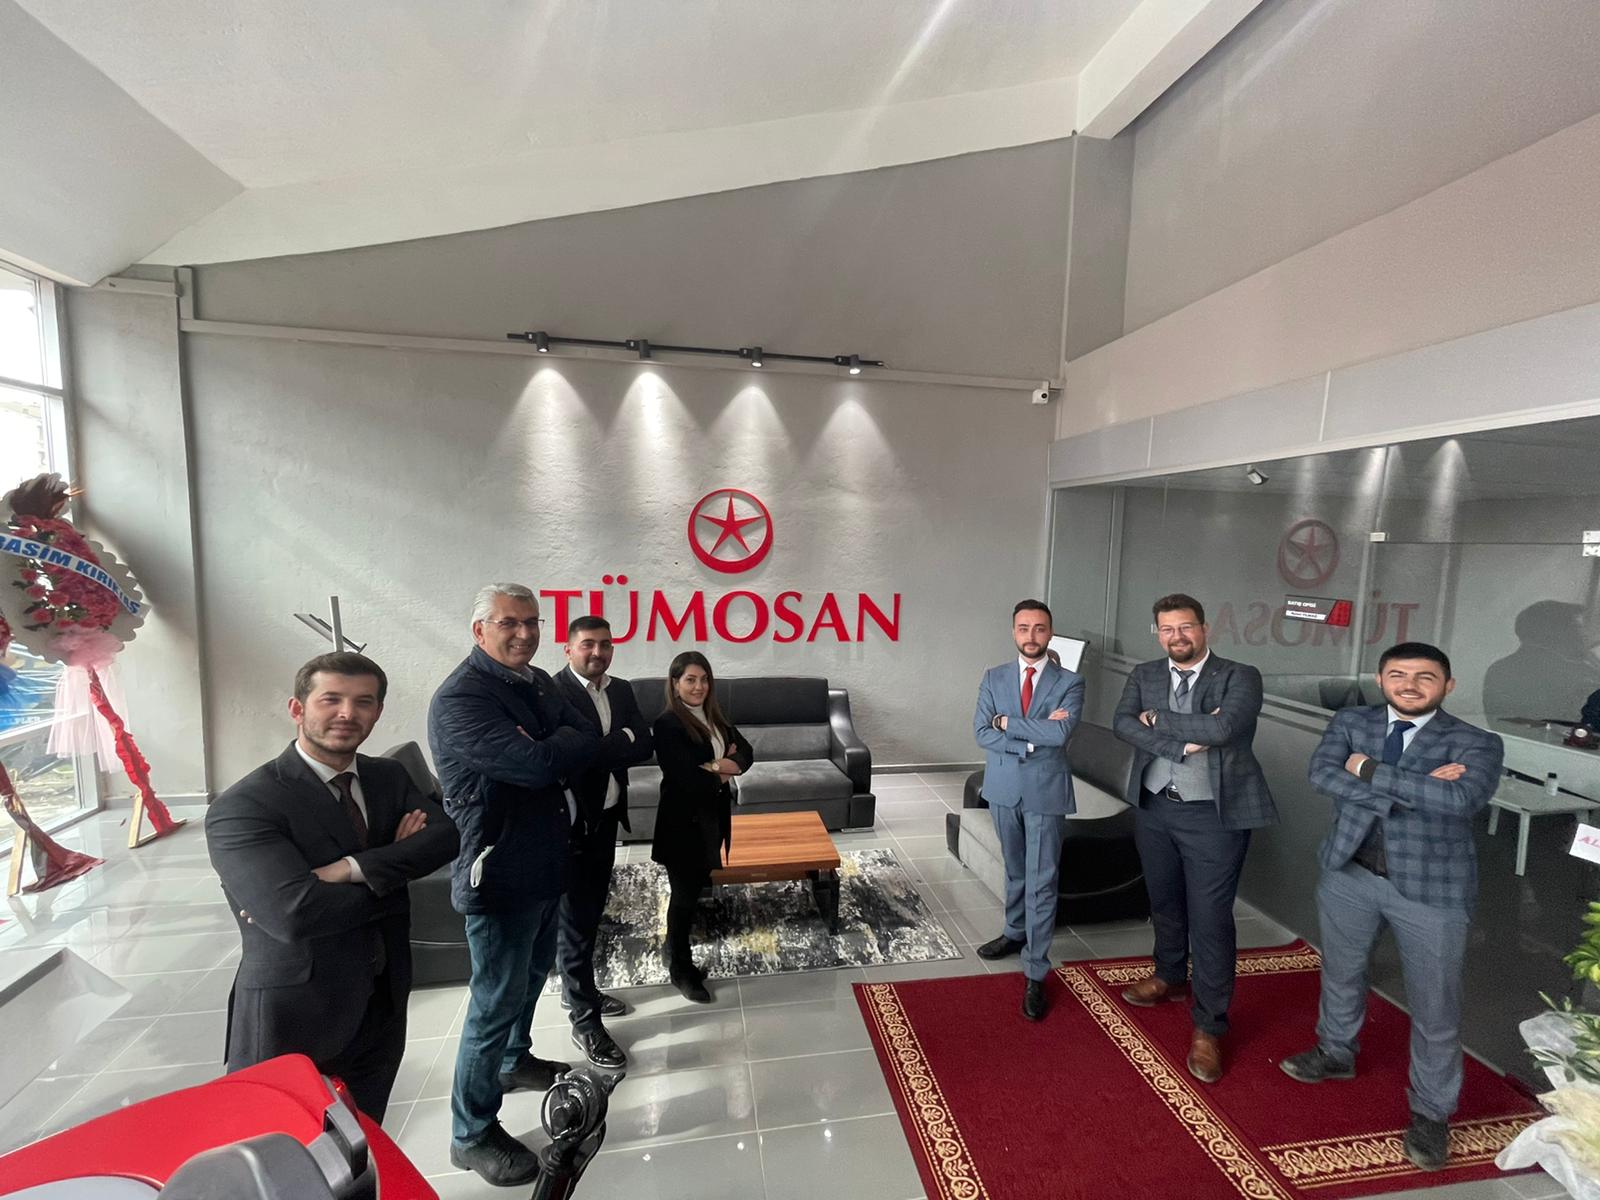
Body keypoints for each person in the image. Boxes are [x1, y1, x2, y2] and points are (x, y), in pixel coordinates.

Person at [1281, 642, 1504, 1172]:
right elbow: (1321, 775)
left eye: (1425, 677)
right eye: (1398, 674)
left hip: (1431, 891)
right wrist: (1415, 788)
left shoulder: (1476, 741)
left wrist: (1366, 769)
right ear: (1381, 681)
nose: (1410, 685)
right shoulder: (1351, 722)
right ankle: (1336, 1052)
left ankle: (1431, 1111)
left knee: (1435, 1005)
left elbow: (1459, 800)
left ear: (1448, 686)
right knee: (1342, 971)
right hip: (1349, 872)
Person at [206, 653, 458, 1120]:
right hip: (297, 1014)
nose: (347, 713)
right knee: (289, 1149)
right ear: (297, 708)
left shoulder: (386, 776)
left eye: (363, 702)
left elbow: (445, 837)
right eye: (331, 699)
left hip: (382, 999)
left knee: (367, 1137)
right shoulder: (246, 806)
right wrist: (396, 867)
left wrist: (348, 868)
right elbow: (294, 913)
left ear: (378, 712)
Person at [428, 583, 601, 1187]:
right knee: (493, 1001)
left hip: (546, 860)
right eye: (509, 623)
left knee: (530, 976)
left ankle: (512, 1059)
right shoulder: (462, 698)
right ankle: (470, 1133)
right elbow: (539, 764)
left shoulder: (536, 682)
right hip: (499, 871)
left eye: (532, 622)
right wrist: (552, 748)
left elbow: (584, 733)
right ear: (480, 630)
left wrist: (554, 746)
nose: (525, 633)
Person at [1112, 593, 1277, 1084]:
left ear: (1204, 629)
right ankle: (1168, 975)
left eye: (1185, 627)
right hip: (1155, 806)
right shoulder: (1145, 674)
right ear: (1157, 633)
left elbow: (1225, 727)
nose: (1176, 637)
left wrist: (1158, 719)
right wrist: (1185, 742)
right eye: (1167, 629)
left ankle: (1209, 1025)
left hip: (1214, 816)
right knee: (1164, 900)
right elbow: (1122, 723)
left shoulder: (1240, 676)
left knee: (1210, 920)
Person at [972, 600, 1084, 1020]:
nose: (1031, 636)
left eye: (1039, 628)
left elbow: (1061, 733)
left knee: (1041, 880)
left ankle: (1036, 970)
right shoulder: (993, 677)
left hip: (1045, 792)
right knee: (1015, 870)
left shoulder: (1070, 681)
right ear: (1014, 632)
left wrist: (1006, 723)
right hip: (1003, 789)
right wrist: (1031, 736)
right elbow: (981, 731)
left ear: (1049, 633)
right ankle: (1014, 932)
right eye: (1024, 628)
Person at [550, 615, 653, 1069]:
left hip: (607, 816)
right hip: (571, 823)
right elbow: (569, 754)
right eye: (588, 644)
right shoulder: (553, 692)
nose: (598, 652)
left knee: (592, 910)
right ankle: (584, 1021)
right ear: (568, 648)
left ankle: (581, 991)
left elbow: (644, 743)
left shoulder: (622, 689)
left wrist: (601, 745)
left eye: (606, 644)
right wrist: (616, 741)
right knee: (574, 918)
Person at [650, 651, 752, 1003]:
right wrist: (725, 767)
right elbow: (686, 781)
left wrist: (715, 766)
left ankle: (673, 950)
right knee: (683, 898)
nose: (699, 686)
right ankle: (680, 969)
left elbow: (747, 753)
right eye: (690, 680)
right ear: (675, 683)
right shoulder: (667, 724)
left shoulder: (715, 716)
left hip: (710, 821)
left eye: (704, 679)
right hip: (681, 826)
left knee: (693, 893)